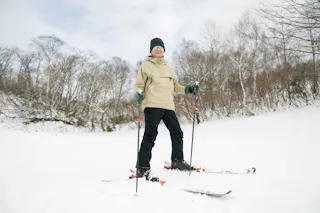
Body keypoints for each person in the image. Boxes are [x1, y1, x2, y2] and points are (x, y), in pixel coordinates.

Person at [133, 37, 199, 177]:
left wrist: (188, 89)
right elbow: (139, 85)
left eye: (160, 47)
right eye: (155, 47)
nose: (158, 49)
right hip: (152, 105)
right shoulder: (145, 66)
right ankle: (142, 167)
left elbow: (176, 87)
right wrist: (139, 94)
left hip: (168, 106)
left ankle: (177, 161)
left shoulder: (168, 69)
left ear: (164, 50)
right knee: (151, 134)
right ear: (151, 50)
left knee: (177, 132)